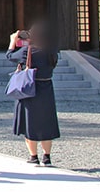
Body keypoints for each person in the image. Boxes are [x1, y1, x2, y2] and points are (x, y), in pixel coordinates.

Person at [7, 23, 60, 166]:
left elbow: (9, 56)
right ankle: (47, 157)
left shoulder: (28, 51)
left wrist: (13, 41)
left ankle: (34, 156)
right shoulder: (52, 52)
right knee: (46, 123)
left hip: (30, 89)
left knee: (29, 122)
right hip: (46, 89)